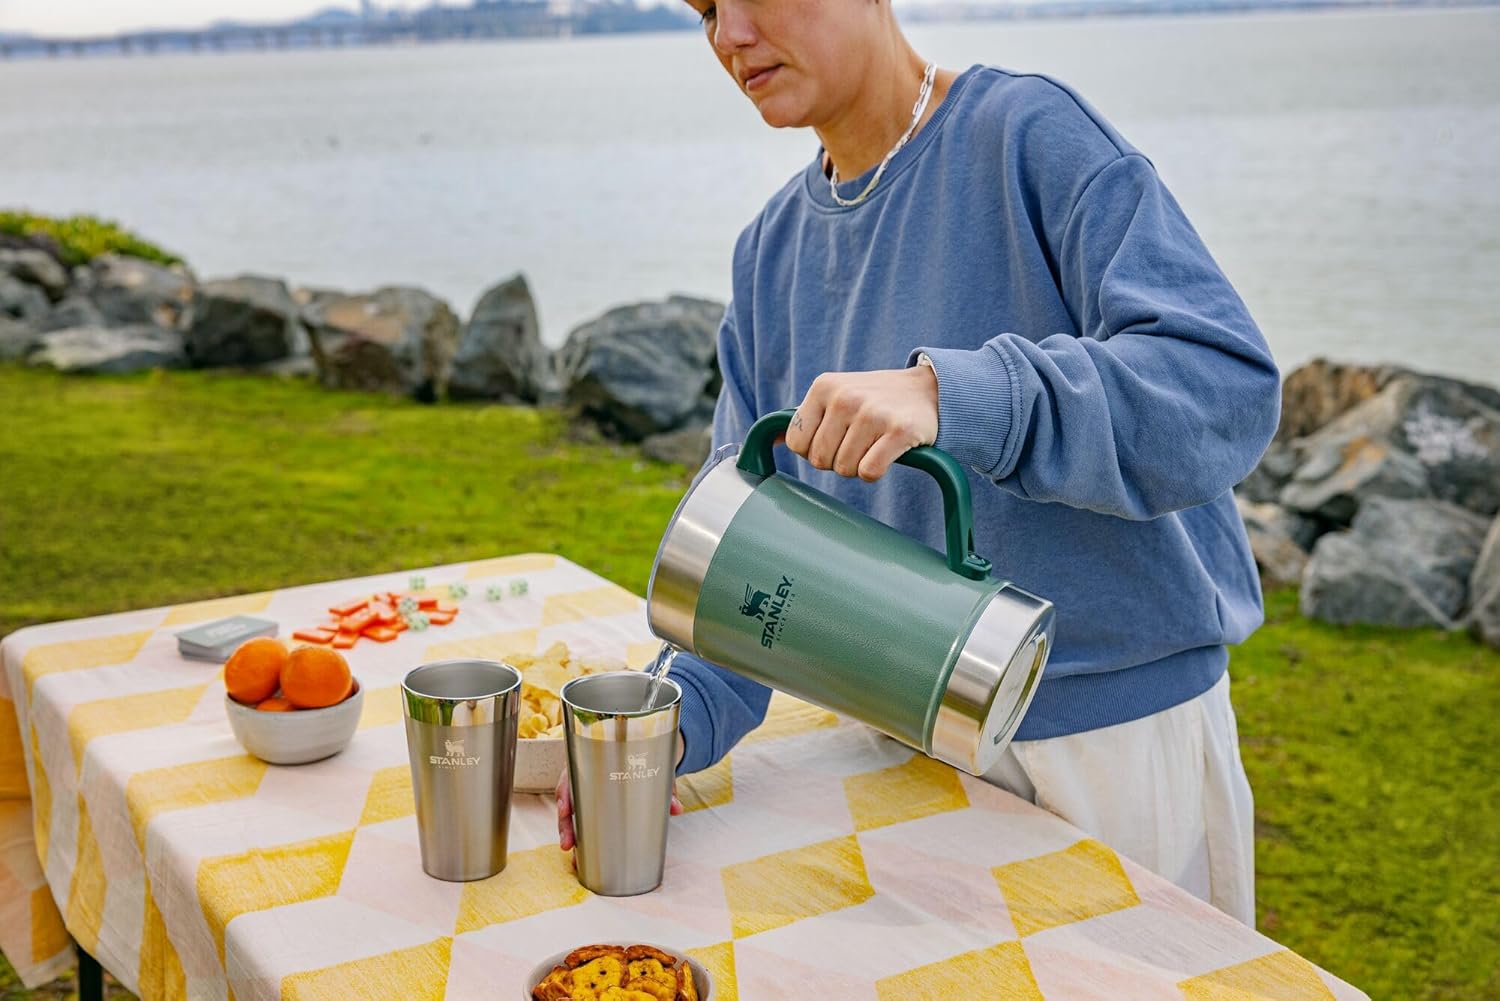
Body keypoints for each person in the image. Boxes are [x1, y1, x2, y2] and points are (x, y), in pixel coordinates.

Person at [558, 0, 1280, 925]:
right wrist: (674, 717)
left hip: (1112, 749)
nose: (729, 36)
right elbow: (740, 551)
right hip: (898, 745)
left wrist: (955, 396)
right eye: (703, 9)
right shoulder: (769, 253)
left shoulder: (1027, 136)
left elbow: (1224, 387)